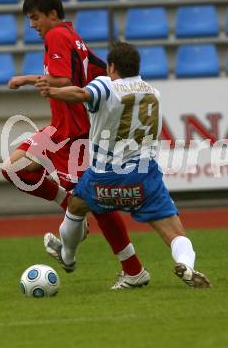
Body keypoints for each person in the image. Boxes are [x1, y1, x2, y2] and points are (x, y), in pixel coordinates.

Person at [2, 0, 145, 286]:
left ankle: (133, 270)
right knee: (13, 169)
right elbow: (96, 71)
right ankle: (66, 203)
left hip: (73, 133)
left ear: (52, 14)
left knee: (98, 202)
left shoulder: (56, 36)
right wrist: (30, 79)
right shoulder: (73, 37)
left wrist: (32, 80)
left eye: (35, 17)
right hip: (59, 128)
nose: (33, 25)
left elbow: (64, 80)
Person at [39, 42, 211, 289]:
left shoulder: (106, 85)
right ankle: (188, 266)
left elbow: (81, 94)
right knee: (175, 232)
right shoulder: (153, 92)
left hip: (105, 178)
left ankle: (67, 256)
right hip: (144, 178)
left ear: (111, 67)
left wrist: (53, 92)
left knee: (76, 206)